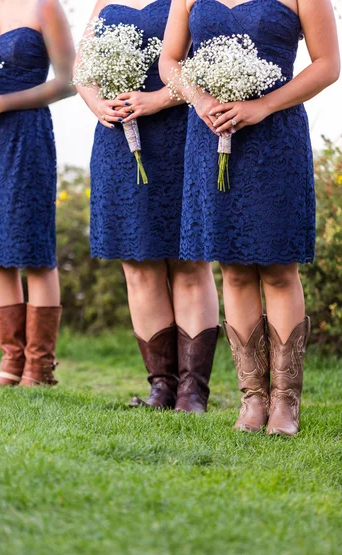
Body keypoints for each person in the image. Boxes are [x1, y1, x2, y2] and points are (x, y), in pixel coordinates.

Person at [160, 0, 340, 433]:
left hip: (276, 137)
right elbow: (169, 60)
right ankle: (252, 401)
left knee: (279, 269)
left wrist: (264, 106)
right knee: (234, 270)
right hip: (209, 133)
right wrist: (199, 99)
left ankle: (285, 403)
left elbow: (328, 64)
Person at [76, 0, 220, 413]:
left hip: (181, 134)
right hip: (117, 139)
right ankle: (161, 387)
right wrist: (96, 103)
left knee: (188, 260)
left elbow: (207, 66)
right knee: (137, 264)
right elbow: (81, 68)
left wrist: (158, 100)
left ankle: (193, 392)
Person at [0, 0, 75, 386]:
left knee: (33, 248)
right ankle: (11, 361)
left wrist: (4, 102)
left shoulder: (45, 6)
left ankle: (39, 367)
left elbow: (68, 81)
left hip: (26, 135)